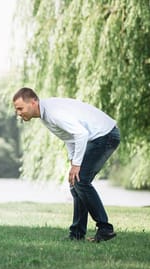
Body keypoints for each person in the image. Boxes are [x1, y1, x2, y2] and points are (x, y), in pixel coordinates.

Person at [12, 87, 120, 242]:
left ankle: (105, 229)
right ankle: (76, 234)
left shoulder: (53, 113)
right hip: (97, 138)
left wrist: (77, 165)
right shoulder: (45, 115)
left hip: (105, 136)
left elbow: (81, 134)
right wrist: (73, 163)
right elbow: (69, 138)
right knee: (75, 182)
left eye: (20, 108)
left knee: (81, 180)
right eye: (16, 110)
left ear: (34, 101)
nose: (18, 113)